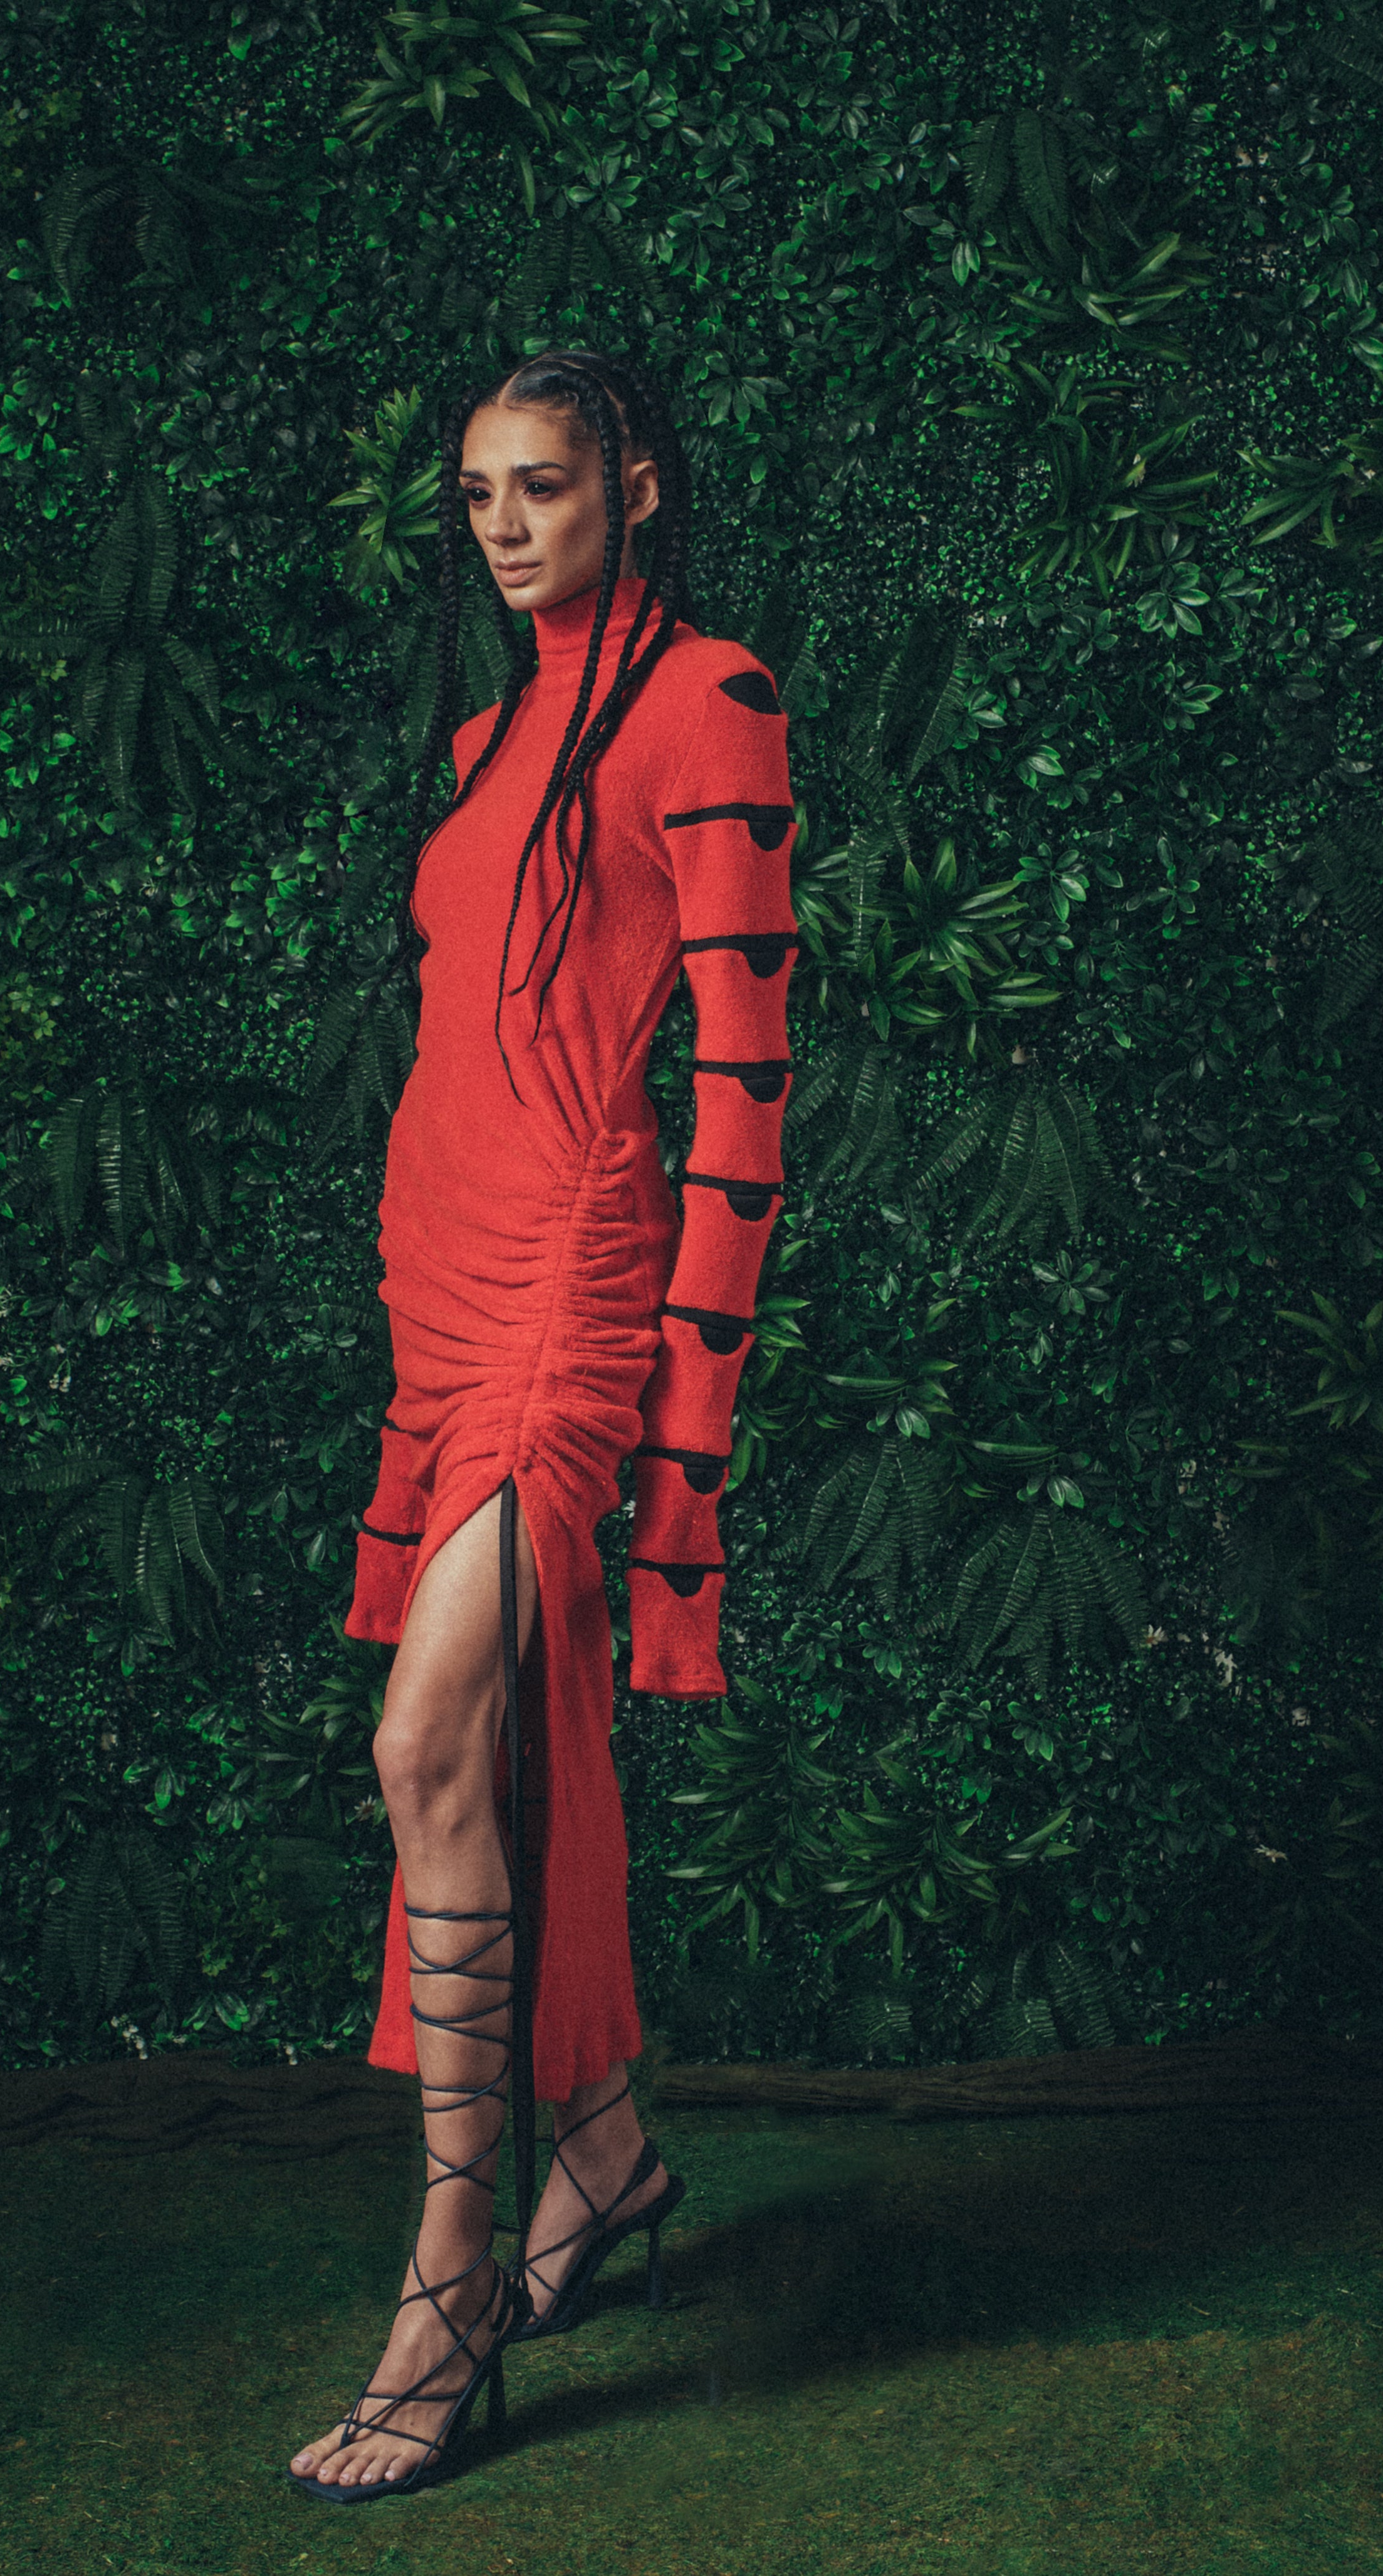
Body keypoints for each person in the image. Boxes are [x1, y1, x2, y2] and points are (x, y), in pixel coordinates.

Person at [288, 349, 796, 2500]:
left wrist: (693, 1426)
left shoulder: (710, 698)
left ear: (637, 488)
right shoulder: (488, 738)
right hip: (443, 1282)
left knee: (430, 1742)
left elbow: (747, 1086)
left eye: (546, 486)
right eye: (479, 491)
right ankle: (601, 2154)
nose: (504, 526)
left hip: (575, 1285)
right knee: (499, 1737)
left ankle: (452, 2280)